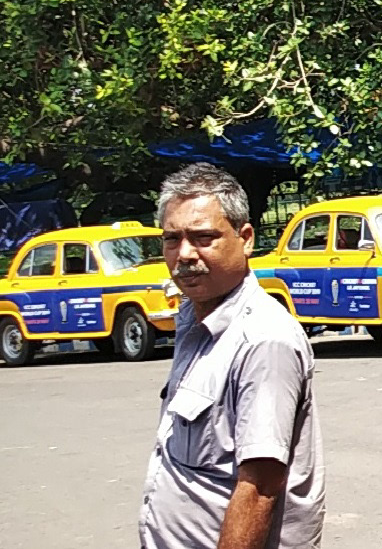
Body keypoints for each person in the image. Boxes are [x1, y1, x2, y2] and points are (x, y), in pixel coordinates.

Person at [140, 163, 324, 549]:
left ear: (245, 238)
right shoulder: (194, 319)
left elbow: (259, 486)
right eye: (172, 239)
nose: (185, 254)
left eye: (204, 237)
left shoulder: (263, 340)